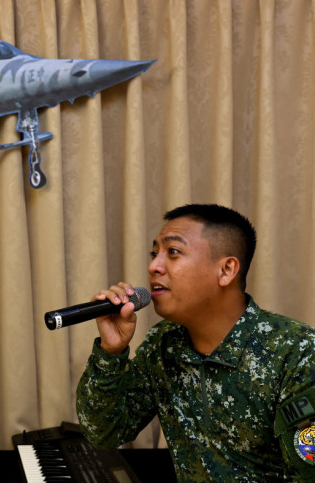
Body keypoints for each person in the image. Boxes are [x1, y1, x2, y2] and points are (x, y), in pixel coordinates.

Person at [76, 203, 315, 481]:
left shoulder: (297, 351)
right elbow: (103, 434)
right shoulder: (163, 344)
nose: (154, 266)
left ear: (226, 270)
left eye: (173, 252)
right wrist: (111, 352)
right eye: (154, 253)